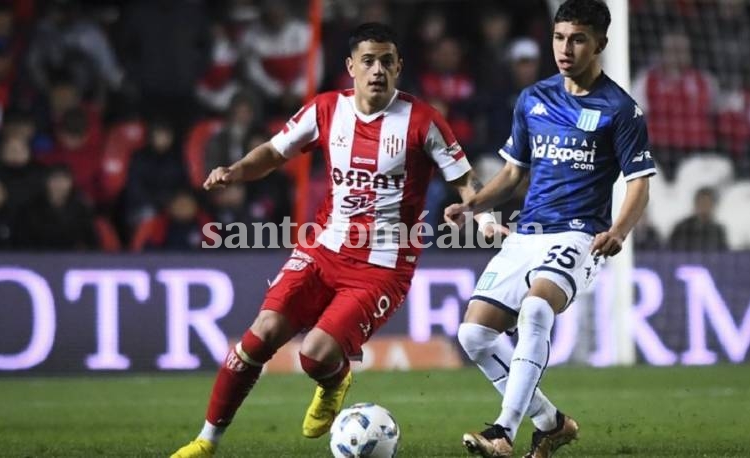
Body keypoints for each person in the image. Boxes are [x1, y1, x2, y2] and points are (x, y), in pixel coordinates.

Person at [171, 22, 498, 458]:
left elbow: (466, 179)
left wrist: (487, 216)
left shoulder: (423, 121)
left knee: (314, 354)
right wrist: (235, 170)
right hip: (323, 248)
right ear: (350, 67)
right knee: (260, 334)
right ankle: (205, 442)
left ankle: (334, 379)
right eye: (368, 60)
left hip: (381, 267)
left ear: (399, 67)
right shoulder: (325, 110)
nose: (377, 69)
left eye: (386, 61)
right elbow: (273, 152)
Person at [444, 1, 656, 457]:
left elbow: (640, 184)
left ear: (600, 43)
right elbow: (514, 173)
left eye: (578, 39)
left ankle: (503, 432)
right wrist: (474, 204)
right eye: (560, 37)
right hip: (528, 232)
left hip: (580, 235)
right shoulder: (533, 99)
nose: (566, 48)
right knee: (473, 336)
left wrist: (618, 230)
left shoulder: (620, 109)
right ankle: (552, 423)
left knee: (537, 310)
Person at [669, 187, 728, 251]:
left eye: (708, 203)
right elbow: (669, 253)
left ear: (713, 205)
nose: (705, 206)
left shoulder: (718, 231)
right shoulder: (681, 228)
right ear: (695, 204)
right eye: (702, 202)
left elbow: (723, 255)